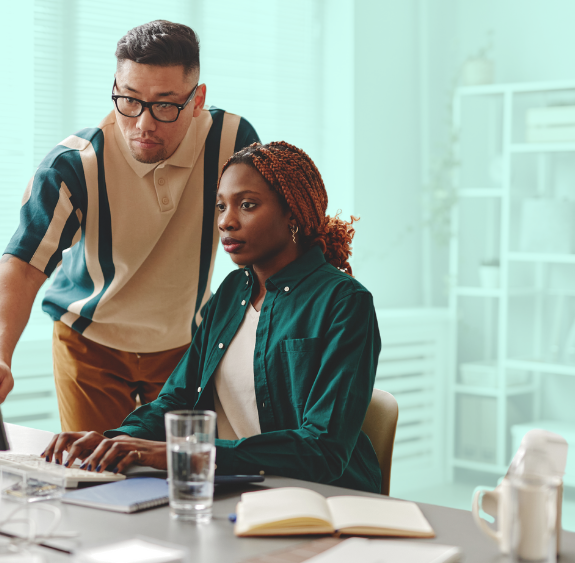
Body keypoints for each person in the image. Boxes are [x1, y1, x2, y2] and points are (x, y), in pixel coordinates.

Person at [42, 141, 383, 494]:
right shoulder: (234, 290)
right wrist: (116, 441)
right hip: (236, 492)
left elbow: (323, 450)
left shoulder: (345, 302)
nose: (225, 221)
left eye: (247, 205)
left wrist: (187, 454)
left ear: (292, 213)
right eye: (221, 206)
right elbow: (178, 399)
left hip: (322, 501)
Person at [0, 20, 260, 433]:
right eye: (128, 100)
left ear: (197, 98)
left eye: (165, 105)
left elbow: (266, 238)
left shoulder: (231, 140)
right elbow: (22, 265)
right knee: (96, 477)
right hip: (90, 345)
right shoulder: (75, 164)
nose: (143, 124)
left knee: (176, 476)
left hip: (184, 346)